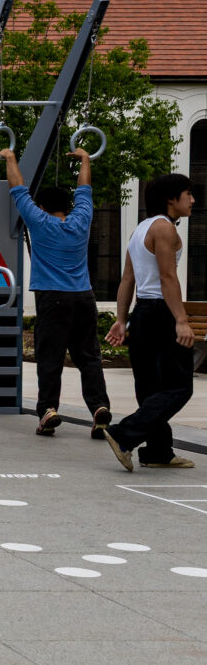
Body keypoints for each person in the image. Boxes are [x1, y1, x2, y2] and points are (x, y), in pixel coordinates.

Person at [0, 147, 112, 437]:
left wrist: (10, 158)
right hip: (84, 298)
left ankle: (48, 410)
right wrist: (86, 159)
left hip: (52, 298)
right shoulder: (81, 220)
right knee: (89, 357)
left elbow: (18, 189)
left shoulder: (39, 222)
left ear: (43, 207)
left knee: (50, 358)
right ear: (68, 205)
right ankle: (99, 408)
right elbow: (85, 189)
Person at [98, 174, 197, 471]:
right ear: (171, 199)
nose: (192, 200)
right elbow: (168, 277)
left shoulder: (140, 229)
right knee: (180, 387)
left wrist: (121, 320)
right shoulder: (164, 229)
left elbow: (127, 278)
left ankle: (158, 451)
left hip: (143, 314)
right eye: (188, 194)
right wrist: (181, 319)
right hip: (161, 313)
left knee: (151, 388)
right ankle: (123, 434)